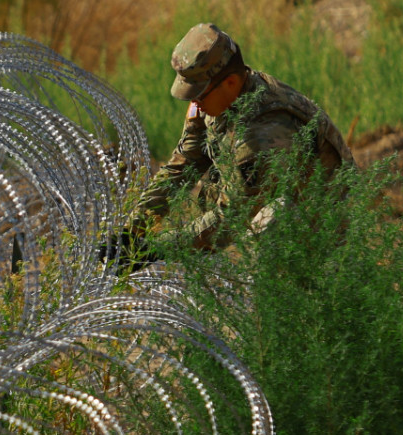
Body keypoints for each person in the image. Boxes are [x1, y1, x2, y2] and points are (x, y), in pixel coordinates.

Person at [112, 23, 353, 268]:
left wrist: (154, 250)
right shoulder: (216, 100)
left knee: (270, 230)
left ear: (229, 83)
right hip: (275, 201)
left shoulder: (261, 135)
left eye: (198, 93)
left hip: (321, 221)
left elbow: (229, 221)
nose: (193, 101)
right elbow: (183, 164)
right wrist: (133, 230)